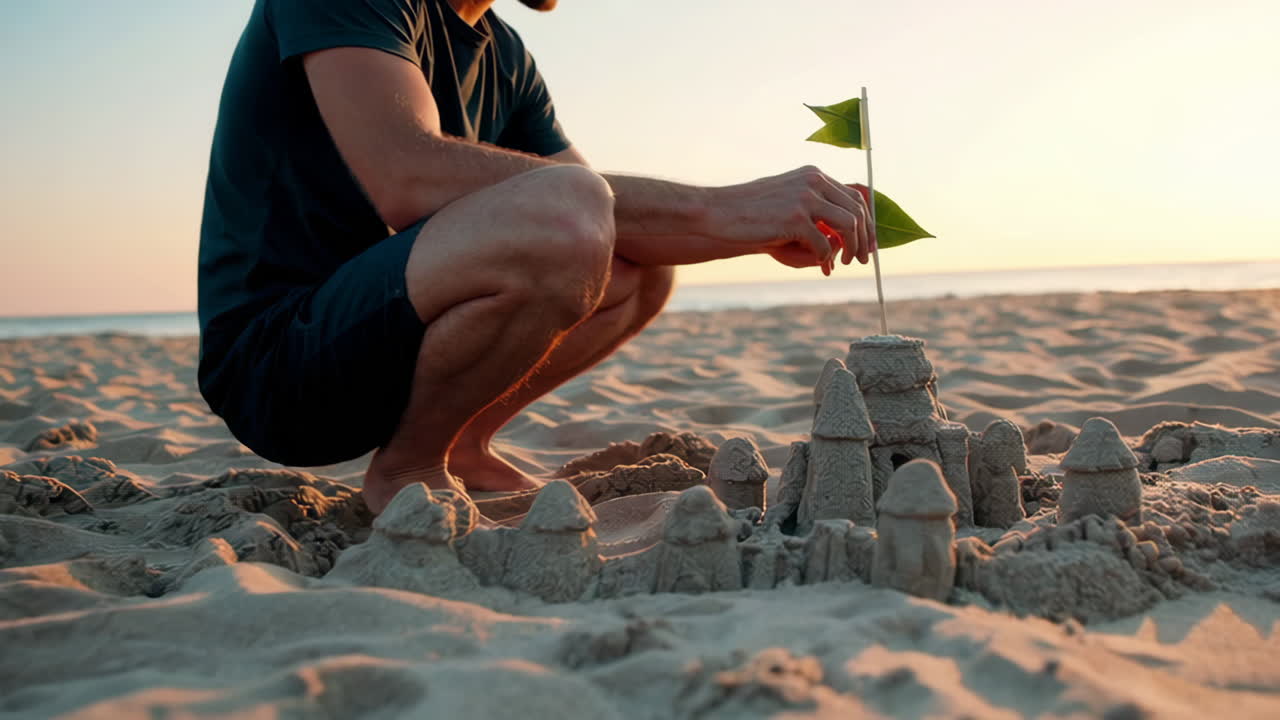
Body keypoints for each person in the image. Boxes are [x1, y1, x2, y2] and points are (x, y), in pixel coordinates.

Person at [197, 0, 875, 514]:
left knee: (636, 267)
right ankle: (408, 470)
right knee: (571, 212)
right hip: (279, 367)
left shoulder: (503, 52)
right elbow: (407, 177)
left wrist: (766, 228)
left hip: (393, 347)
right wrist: (719, 206)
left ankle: (460, 445)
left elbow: (610, 221)